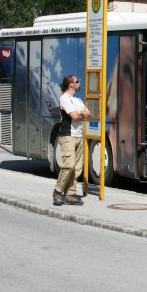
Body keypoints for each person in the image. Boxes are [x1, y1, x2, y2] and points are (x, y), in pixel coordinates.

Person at [53, 75, 91, 206]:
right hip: (67, 135)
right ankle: (58, 191)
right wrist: (81, 114)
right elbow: (74, 116)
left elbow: (89, 114)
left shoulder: (78, 100)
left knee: (77, 168)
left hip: (79, 135)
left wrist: (81, 114)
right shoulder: (64, 99)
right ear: (71, 84)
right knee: (69, 165)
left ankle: (70, 194)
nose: (79, 83)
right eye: (77, 81)